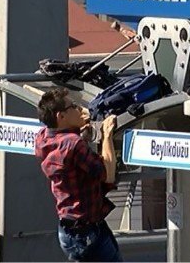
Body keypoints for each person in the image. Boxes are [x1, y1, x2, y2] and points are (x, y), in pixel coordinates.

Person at [35, 88, 123, 262]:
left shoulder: (43, 138)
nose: (80, 109)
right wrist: (106, 135)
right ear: (61, 116)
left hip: (69, 229)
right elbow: (107, 174)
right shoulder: (74, 144)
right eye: (73, 106)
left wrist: (81, 132)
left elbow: (66, 151)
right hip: (86, 231)